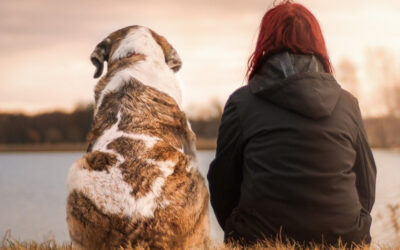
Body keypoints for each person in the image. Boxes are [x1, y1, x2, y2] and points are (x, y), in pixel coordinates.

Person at [207, 1, 377, 246]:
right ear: (318, 44)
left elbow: (223, 183)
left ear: (265, 43)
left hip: (259, 239)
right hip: (343, 240)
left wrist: (238, 231)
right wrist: (352, 226)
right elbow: (367, 183)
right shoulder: (347, 104)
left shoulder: (242, 103)